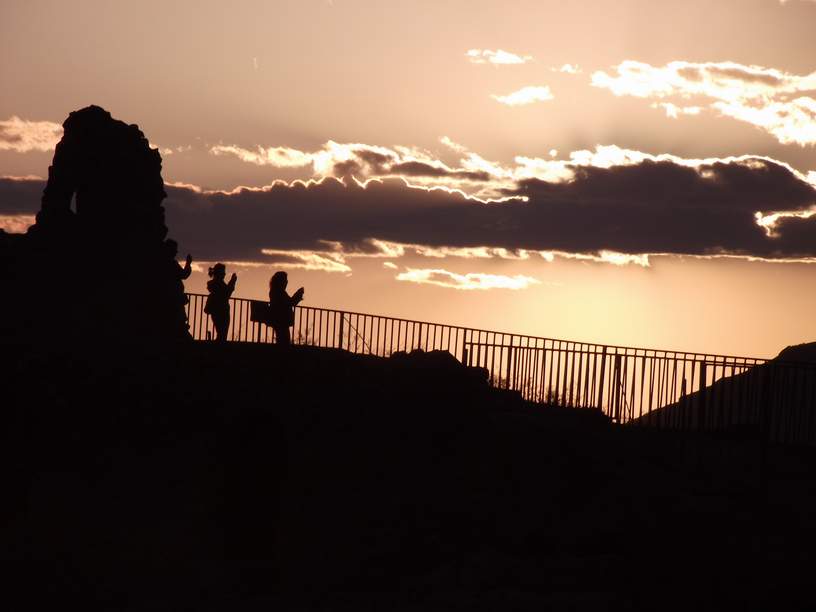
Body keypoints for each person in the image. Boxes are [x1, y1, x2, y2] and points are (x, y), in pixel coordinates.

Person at [268, 271, 304, 346]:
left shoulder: (276, 291)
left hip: (279, 320)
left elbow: (290, 302)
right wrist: (298, 295)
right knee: (284, 341)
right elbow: (290, 303)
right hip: (281, 320)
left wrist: (297, 295)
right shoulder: (279, 292)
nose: (286, 282)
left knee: (282, 340)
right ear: (280, 281)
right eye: (285, 280)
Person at [205, 263, 237, 342]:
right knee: (222, 333)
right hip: (222, 311)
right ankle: (219, 350)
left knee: (221, 333)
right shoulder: (219, 284)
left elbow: (226, 293)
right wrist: (232, 281)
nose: (224, 274)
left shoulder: (215, 284)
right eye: (223, 272)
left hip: (217, 311)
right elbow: (227, 293)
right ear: (219, 273)